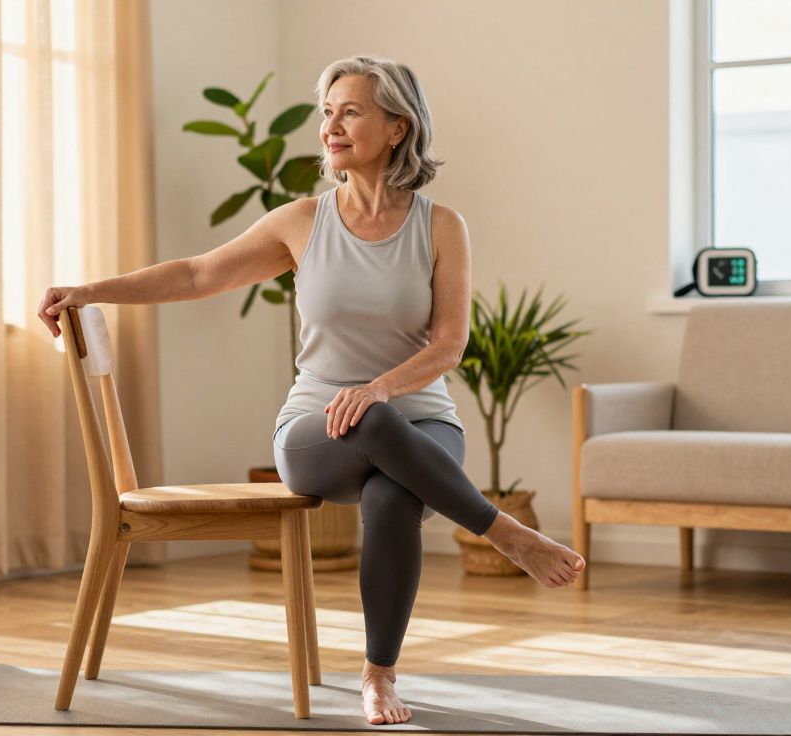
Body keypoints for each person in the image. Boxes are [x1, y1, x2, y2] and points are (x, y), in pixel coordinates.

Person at [38, 54, 585, 727]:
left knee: (393, 491)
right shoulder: (301, 221)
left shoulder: (441, 227)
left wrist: (382, 387)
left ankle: (377, 676)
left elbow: (449, 344)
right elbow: (194, 274)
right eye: (327, 112)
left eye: (349, 110)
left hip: (423, 421)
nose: (331, 125)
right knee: (375, 424)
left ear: (396, 127)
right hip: (315, 429)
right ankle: (506, 535)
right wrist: (90, 291)